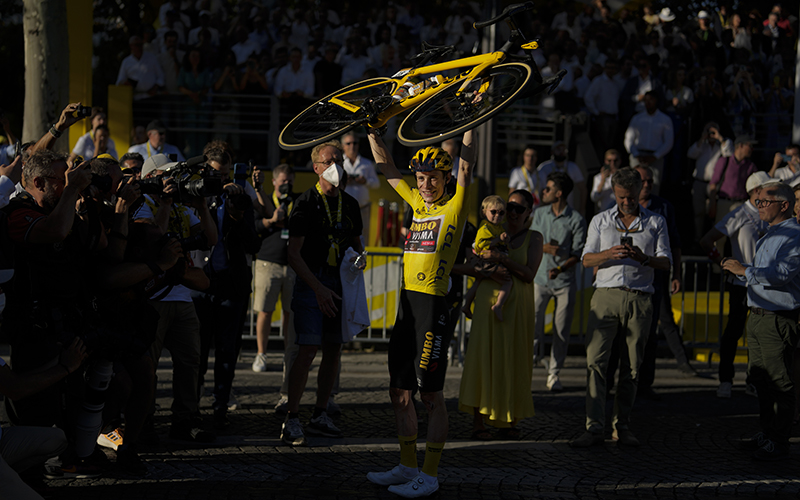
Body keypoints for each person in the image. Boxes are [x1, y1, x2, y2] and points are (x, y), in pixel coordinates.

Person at [365, 127, 475, 498]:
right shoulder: (418, 204)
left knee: (431, 396)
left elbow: (466, 165)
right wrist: (372, 130)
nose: (426, 184)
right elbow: (387, 167)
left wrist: (471, 121)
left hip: (432, 305)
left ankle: (429, 474)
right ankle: (407, 464)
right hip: (406, 306)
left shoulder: (454, 206)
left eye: (434, 178)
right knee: (399, 391)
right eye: (422, 178)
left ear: (446, 179)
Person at [571, 167, 671, 448]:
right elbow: (586, 259)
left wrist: (644, 258)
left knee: (633, 367)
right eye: (621, 197)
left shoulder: (655, 222)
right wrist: (607, 254)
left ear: (641, 190)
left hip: (639, 298)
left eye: (631, 197)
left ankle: (621, 425)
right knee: (596, 363)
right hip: (605, 295)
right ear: (614, 192)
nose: (626, 202)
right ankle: (593, 428)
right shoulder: (601, 220)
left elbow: (666, 261)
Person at [281, 140, 363, 446]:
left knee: (333, 349)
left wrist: (359, 259)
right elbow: (293, 254)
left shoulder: (351, 204)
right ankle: (291, 416)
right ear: (316, 168)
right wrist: (317, 288)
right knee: (307, 350)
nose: (336, 167)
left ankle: (319, 413)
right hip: (312, 282)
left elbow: (357, 243)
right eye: (329, 162)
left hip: (339, 282)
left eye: (339, 161)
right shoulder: (304, 204)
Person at [131, 153, 216, 442]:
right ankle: (143, 419)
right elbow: (153, 239)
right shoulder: (142, 206)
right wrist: (165, 204)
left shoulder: (184, 207)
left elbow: (211, 238)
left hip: (182, 295)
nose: (172, 181)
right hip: (153, 295)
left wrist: (202, 206)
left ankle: (185, 419)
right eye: (166, 175)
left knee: (190, 362)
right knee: (147, 365)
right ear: (151, 178)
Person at [722, 182, 800, 461]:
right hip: (757, 314)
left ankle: (779, 439)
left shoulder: (794, 234)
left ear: (784, 204)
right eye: (758, 202)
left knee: (779, 381)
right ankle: (768, 433)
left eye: (765, 202)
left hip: (777, 319)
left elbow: (780, 275)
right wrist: (743, 273)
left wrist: (745, 270)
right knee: (761, 379)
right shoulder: (771, 233)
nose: (760, 206)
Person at [459, 188, 543, 438]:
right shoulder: (491, 230)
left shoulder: (535, 237)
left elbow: (529, 274)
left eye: (519, 208)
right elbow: (474, 263)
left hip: (517, 309)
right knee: (483, 358)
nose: (513, 212)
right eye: (510, 207)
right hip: (488, 304)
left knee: (513, 360)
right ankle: (479, 422)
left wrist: (502, 260)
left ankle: (508, 420)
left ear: (529, 212)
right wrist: (489, 268)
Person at [194, 147, 261, 429]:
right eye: (215, 174)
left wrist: (237, 213)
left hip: (231, 284)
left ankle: (220, 407)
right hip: (201, 283)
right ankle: (190, 407)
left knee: (227, 351)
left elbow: (253, 244)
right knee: (197, 352)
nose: (222, 180)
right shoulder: (196, 194)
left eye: (226, 175)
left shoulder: (239, 197)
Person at [701, 172, 773, 398]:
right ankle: (726, 379)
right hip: (741, 284)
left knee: (760, 335)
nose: (771, 194)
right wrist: (721, 261)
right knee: (734, 331)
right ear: (755, 191)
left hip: (764, 284)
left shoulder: (771, 214)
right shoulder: (739, 214)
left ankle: (754, 380)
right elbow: (706, 240)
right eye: (767, 189)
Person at [0, 338, 85, 500]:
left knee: (56, 439)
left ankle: (9, 475)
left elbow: (14, 380)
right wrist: (65, 367)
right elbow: (15, 388)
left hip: (1, 439)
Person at [530, 172, 586, 391]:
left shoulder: (576, 219)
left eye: (548, 188)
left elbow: (578, 253)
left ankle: (554, 374)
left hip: (564, 281)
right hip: (540, 278)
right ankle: (528, 368)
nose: (544, 191)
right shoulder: (540, 213)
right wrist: (543, 248)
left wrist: (561, 266)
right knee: (533, 326)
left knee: (561, 330)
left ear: (559, 193)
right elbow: (530, 241)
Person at [252, 164, 298, 384]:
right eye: (282, 181)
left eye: (289, 181)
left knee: (290, 313)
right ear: (274, 182)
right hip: (267, 262)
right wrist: (271, 219)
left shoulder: (296, 202)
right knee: (265, 310)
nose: (286, 185)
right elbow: (255, 227)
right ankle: (261, 353)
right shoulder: (263, 200)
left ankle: (288, 356)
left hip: (292, 264)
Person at [461, 195, 512, 322]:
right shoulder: (485, 227)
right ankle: (498, 305)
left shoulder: (497, 227)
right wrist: (498, 240)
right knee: (507, 281)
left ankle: (466, 305)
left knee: (478, 281)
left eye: (501, 213)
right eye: (493, 212)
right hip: (484, 261)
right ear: (484, 212)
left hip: (485, 261)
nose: (497, 215)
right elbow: (480, 246)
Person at [687, 122, 733, 242]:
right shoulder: (701, 145)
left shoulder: (721, 145)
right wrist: (702, 139)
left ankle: (712, 241)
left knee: (714, 213)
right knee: (698, 212)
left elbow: (729, 153)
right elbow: (691, 153)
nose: (711, 134)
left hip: (715, 184)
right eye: (709, 131)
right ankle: (698, 238)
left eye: (713, 131)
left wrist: (719, 137)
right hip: (699, 182)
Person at [623, 91, 673, 193]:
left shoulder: (665, 119)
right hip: (638, 156)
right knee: (634, 186)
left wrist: (655, 156)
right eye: (646, 100)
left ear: (656, 101)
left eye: (651, 100)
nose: (648, 102)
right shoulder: (637, 118)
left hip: (655, 157)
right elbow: (628, 139)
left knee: (653, 187)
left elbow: (668, 141)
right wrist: (636, 155)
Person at [708, 135, 758, 228]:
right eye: (749, 145)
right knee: (719, 236)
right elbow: (713, 184)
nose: (752, 149)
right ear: (741, 146)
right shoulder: (724, 161)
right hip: (724, 203)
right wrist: (712, 204)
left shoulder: (750, 166)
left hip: (741, 204)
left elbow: (757, 186)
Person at [341, 131, 379, 242]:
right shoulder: (339, 162)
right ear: (343, 146)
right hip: (343, 209)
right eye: (348, 143)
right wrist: (344, 180)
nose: (352, 146)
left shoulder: (367, 163)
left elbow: (376, 184)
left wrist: (365, 181)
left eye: (355, 143)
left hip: (363, 208)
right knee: (343, 238)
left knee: (362, 239)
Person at [584, 59, 620, 162]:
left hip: (614, 118)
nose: (611, 70)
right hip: (603, 118)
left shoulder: (615, 83)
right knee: (602, 146)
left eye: (613, 68)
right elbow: (588, 97)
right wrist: (596, 111)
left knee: (611, 145)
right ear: (605, 68)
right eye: (609, 67)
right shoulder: (599, 81)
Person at [536, 140, 585, 215]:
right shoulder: (544, 167)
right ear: (552, 152)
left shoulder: (573, 167)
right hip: (547, 210)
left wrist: (581, 209)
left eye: (564, 150)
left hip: (567, 209)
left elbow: (583, 189)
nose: (561, 152)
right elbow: (538, 188)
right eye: (558, 149)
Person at [116, 35, 165, 101]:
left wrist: (155, 87)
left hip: (151, 98)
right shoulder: (126, 62)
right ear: (131, 46)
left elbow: (160, 76)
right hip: (135, 98)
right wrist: (126, 83)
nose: (139, 47)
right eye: (136, 45)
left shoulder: (151, 58)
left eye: (140, 44)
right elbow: (120, 80)